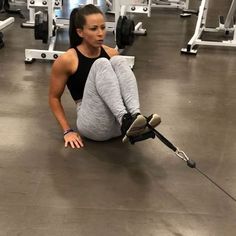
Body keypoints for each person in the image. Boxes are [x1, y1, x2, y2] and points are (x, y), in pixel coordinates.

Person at [49, 4, 161, 149]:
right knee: (101, 63)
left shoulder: (111, 53)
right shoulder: (68, 60)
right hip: (92, 125)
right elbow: (53, 98)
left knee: (119, 60)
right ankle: (126, 119)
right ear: (80, 32)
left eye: (103, 27)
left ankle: (134, 117)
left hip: (118, 127)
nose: (101, 33)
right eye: (94, 29)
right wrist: (67, 131)